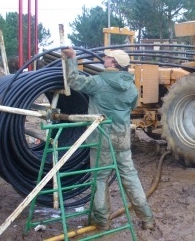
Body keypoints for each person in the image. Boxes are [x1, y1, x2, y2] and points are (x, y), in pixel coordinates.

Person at [62, 47, 155, 230]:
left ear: (113, 63)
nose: (104, 58)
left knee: (100, 179)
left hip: (102, 138)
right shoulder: (131, 87)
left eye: (107, 57)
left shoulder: (98, 82)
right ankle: (147, 218)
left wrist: (71, 59)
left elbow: (74, 81)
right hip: (122, 137)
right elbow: (133, 104)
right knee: (130, 177)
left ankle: (103, 222)